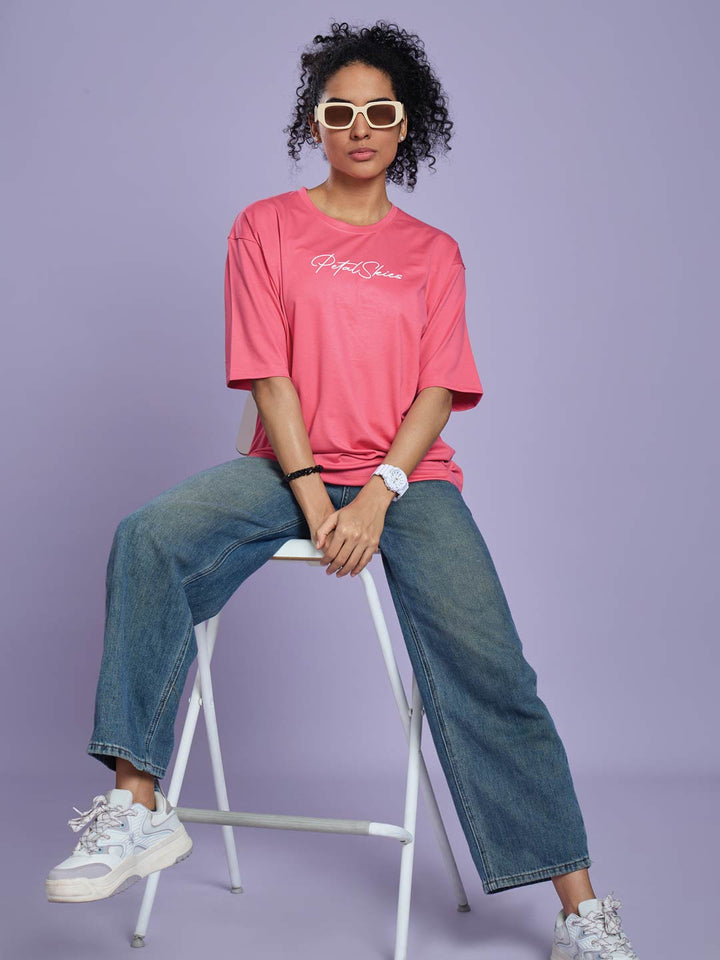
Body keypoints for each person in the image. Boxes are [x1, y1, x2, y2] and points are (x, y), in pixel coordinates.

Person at [45, 19, 639, 960]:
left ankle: (580, 911)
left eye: (379, 112)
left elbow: (439, 387)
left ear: (407, 127)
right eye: (338, 111)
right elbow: (271, 378)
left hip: (410, 482)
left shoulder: (434, 254)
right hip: (284, 469)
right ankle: (137, 806)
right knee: (147, 535)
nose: (358, 127)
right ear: (315, 123)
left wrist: (378, 495)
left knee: (495, 671)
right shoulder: (264, 228)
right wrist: (317, 496)